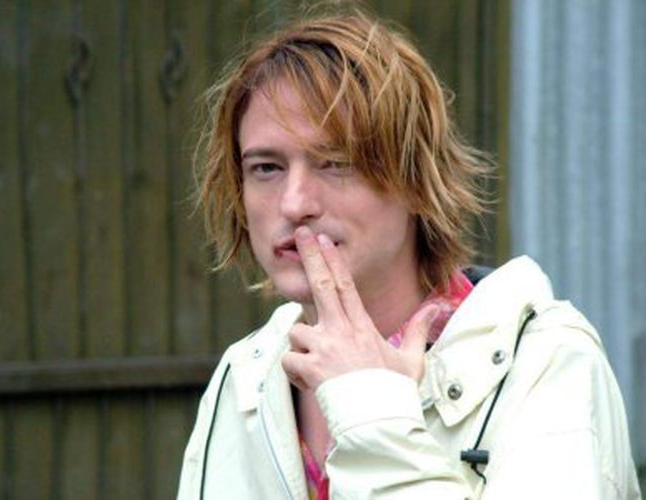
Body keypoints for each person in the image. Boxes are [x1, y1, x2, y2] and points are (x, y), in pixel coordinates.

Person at [177, 7, 641, 500]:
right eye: (266, 168)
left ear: (416, 180)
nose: (294, 203)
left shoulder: (547, 362)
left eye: (335, 163)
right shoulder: (244, 378)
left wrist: (371, 413)